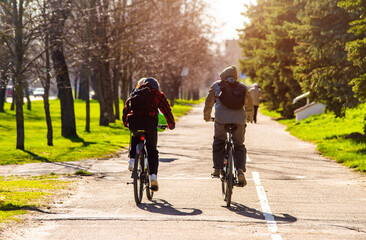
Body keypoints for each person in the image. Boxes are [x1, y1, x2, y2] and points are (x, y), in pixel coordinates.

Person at [203, 66, 253, 187]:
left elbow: (209, 102)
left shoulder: (217, 85)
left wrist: (207, 116)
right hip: (239, 120)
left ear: (223, 75)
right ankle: (240, 170)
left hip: (221, 119)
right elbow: (249, 104)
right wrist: (249, 117)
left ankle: (217, 169)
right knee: (239, 145)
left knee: (219, 141)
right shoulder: (242, 87)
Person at [122, 77, 175, 191]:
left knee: (135, 137)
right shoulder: (158, 95)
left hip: (134, 123)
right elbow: (166, 110)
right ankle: (153, 177)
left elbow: (127, 107)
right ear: (156, 86)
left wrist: (126, 123)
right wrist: (171, 124)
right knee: (152, 150)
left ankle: (132, 160)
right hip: (150, 124)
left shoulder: (135, 93)